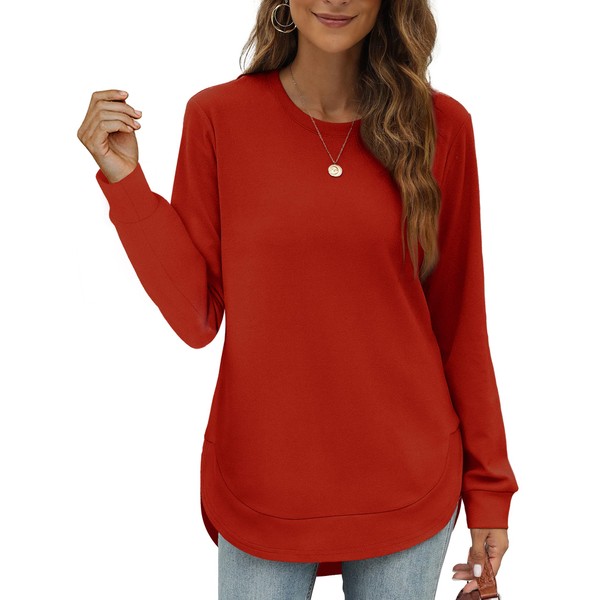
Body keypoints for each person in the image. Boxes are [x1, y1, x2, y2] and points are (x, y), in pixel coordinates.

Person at [77, 1, 519, 598]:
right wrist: (125, 183)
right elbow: (195, 316)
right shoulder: (218, 117)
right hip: (264, 481)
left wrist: (489, 492)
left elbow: (462, 321)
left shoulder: (442, 127)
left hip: (407, 478)